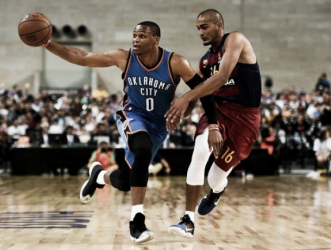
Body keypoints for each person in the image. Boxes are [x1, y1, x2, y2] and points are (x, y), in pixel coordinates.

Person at [35, 20, 221, 244]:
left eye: (142, 36)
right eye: (135, 35)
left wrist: (198, 116)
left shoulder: (176, 62)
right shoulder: (124, 57)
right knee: (142, 150)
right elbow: (81, 57)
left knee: (125, 180)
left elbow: (203, 91)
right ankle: (137, 221)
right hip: (132, 115)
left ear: (156, 40)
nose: (136, 39)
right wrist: (48, 44)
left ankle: (99, 176)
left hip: (159, 126)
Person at [166, 9, 261, 238]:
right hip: (216, 111)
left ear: (219, 25)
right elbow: (196, 94)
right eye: (198, 28)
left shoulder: (235, 39)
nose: (200, 32)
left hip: (244, 118)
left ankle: (215, 193)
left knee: (215, 178)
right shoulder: (205, 61)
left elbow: (222, 76)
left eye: (204, 27)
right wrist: (179, 112)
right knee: (199, 152)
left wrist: (185, 99)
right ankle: (188, 220)